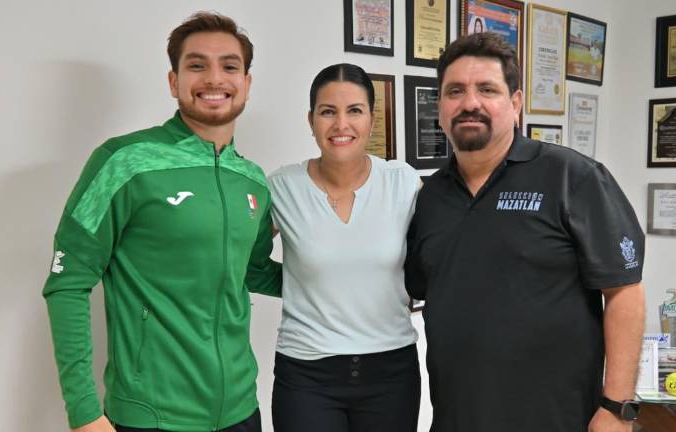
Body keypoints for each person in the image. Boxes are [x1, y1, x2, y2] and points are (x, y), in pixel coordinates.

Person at [42, 12, 281, 432]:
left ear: (246, 82)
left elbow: (256, 272)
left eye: (229, 66)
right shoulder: (124, 161)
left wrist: (352, 276)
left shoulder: (254, 181)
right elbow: (68, 280)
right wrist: (83, 412)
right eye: (196, 65)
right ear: (174, 82)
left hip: (242, 411)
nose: (214, 78)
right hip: (151, 416)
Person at [405, 32, 646, 432]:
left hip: (558, 418)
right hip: (457, 418)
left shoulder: (572, 177)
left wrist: (616, 407)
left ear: (515, 103)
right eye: (455, 91)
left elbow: (624, 290)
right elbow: (419, 288)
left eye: (487, 89)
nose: (470, 103)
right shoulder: (430, 198)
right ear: (441, 106)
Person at [268, 63, 421, 432]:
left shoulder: (403, 183)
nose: (341, 125)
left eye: (354, 110)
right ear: (311, 120)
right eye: (327, 112)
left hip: (392, 373)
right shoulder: (282, 187)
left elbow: (434, 259)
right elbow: (238, 256)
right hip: (306, 374)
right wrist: (291, 281)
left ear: (371, 119)